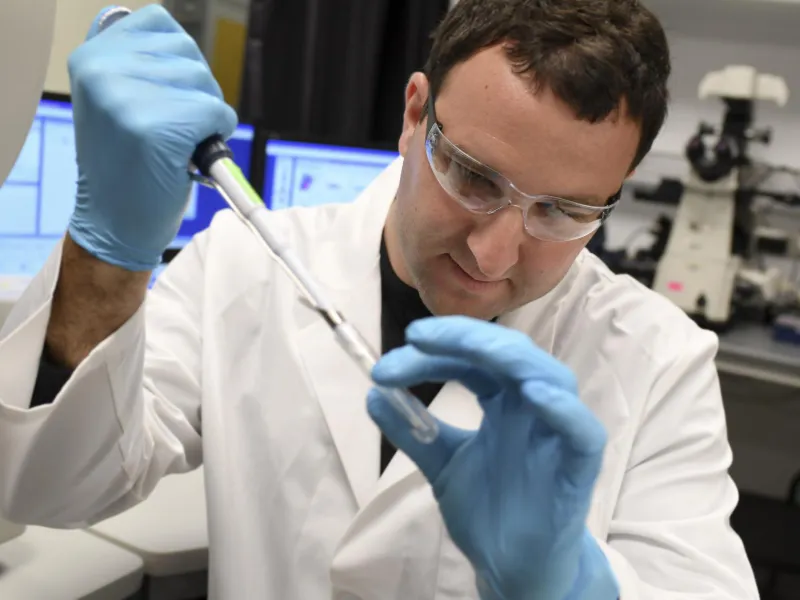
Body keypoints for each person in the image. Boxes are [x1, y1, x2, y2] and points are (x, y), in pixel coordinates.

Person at [0, 1, 758, 599]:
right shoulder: (244, 263)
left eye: (563, 213)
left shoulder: (659, 360)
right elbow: (48, 486)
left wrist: (568, 590)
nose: (492, 254)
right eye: (475, 177)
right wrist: (107, 255)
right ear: (413, 112)